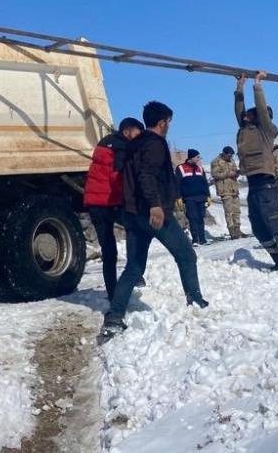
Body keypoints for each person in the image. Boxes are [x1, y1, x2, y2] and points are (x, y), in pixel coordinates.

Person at [102, 101, 207, 336]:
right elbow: (146, 175)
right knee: (186, 255)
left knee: (134, 267)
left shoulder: (133, 144)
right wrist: (155, 205)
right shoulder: (155, 144)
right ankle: (196, 299)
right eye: (168, 122)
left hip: (133, 213)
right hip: (153, 213)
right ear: (162, 122)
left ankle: (114, 317)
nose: (169, 126)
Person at [235, 72, 278, 269]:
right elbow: (238, 109)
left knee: (274, 224)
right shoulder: (245, 131)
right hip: (253, 185)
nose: (246, 115)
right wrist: (240, 86)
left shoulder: (267, 130)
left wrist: (257, 85)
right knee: (258, 227)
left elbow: (261, 111)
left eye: (251, 114)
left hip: (266, 183)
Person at [83, 117, 145, 300]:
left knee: (109, 250)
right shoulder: (120, 147)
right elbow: (116, 177)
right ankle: (134, 275)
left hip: (95, 204)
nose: (137, 138)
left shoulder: (104, 144)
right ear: (127, 131)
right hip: (111, 203)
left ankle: (112, 291)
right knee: (137, 230)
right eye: (136, 133)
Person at [176, 149, 210, 245]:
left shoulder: (200, 168)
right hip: (189, 198)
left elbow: (205, 183)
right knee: (192, 218)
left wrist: (208, 196)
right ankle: (195, 240)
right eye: (197, 157)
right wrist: (178, 197)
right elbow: (177, 183)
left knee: (200, 218)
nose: (199, 159)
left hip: (201, 197)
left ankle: (203, 239)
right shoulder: (181, 168)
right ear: (191, 157)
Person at [211, 146, 244, 239]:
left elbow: (233, 171)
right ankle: (232, 231)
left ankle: (238, 229)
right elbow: (215, 174)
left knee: (237, 210)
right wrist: (228, 174)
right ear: (224, 153)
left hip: (234, 188)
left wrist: (237, 173)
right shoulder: (216, 161)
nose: (230, 157)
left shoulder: (232, 161)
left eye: (231, 156)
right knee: (229, 211)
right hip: (224, 190)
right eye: (229, 155)